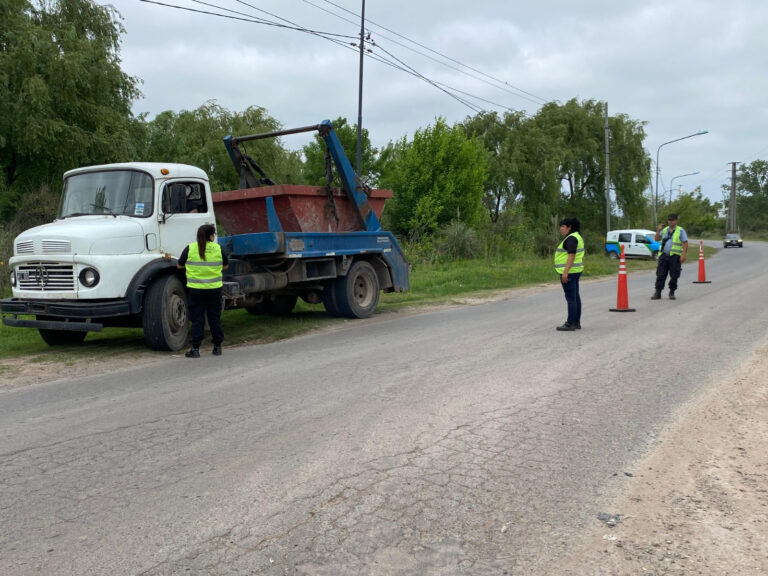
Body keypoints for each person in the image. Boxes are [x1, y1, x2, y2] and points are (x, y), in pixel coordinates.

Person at [177, 224, 228, 357]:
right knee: (214, 318)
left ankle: (195, 349)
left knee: (197, 319)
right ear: (211, 236)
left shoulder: (191, 248)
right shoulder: (218, 248)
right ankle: (217, 347)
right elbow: (226, 265)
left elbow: (179, 265)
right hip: (214, 290)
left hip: (196, 290)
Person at [554, 217, 584, 331]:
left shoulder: (571, 239)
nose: (561, 229)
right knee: (575, 297)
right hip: (576, 271)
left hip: (569, 272)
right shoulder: (577, 237)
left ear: (569, 227)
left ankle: (570, 323)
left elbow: (571, 255)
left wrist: (565, 272)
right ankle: (576, 322)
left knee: (571, 298)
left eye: (563, 226)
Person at [652, 213, 688, 300]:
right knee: (660, 274)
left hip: (675, 257)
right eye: (669, 220)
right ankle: (658, 292)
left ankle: (672, 292)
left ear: (676, 220)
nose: (670, 222)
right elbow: (656, 239)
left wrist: (683, 254)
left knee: (674, 275)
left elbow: (685, 243)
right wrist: (658, 230)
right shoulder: (664, 230)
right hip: (664, 256)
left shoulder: (680, 231)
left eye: (672, 220)